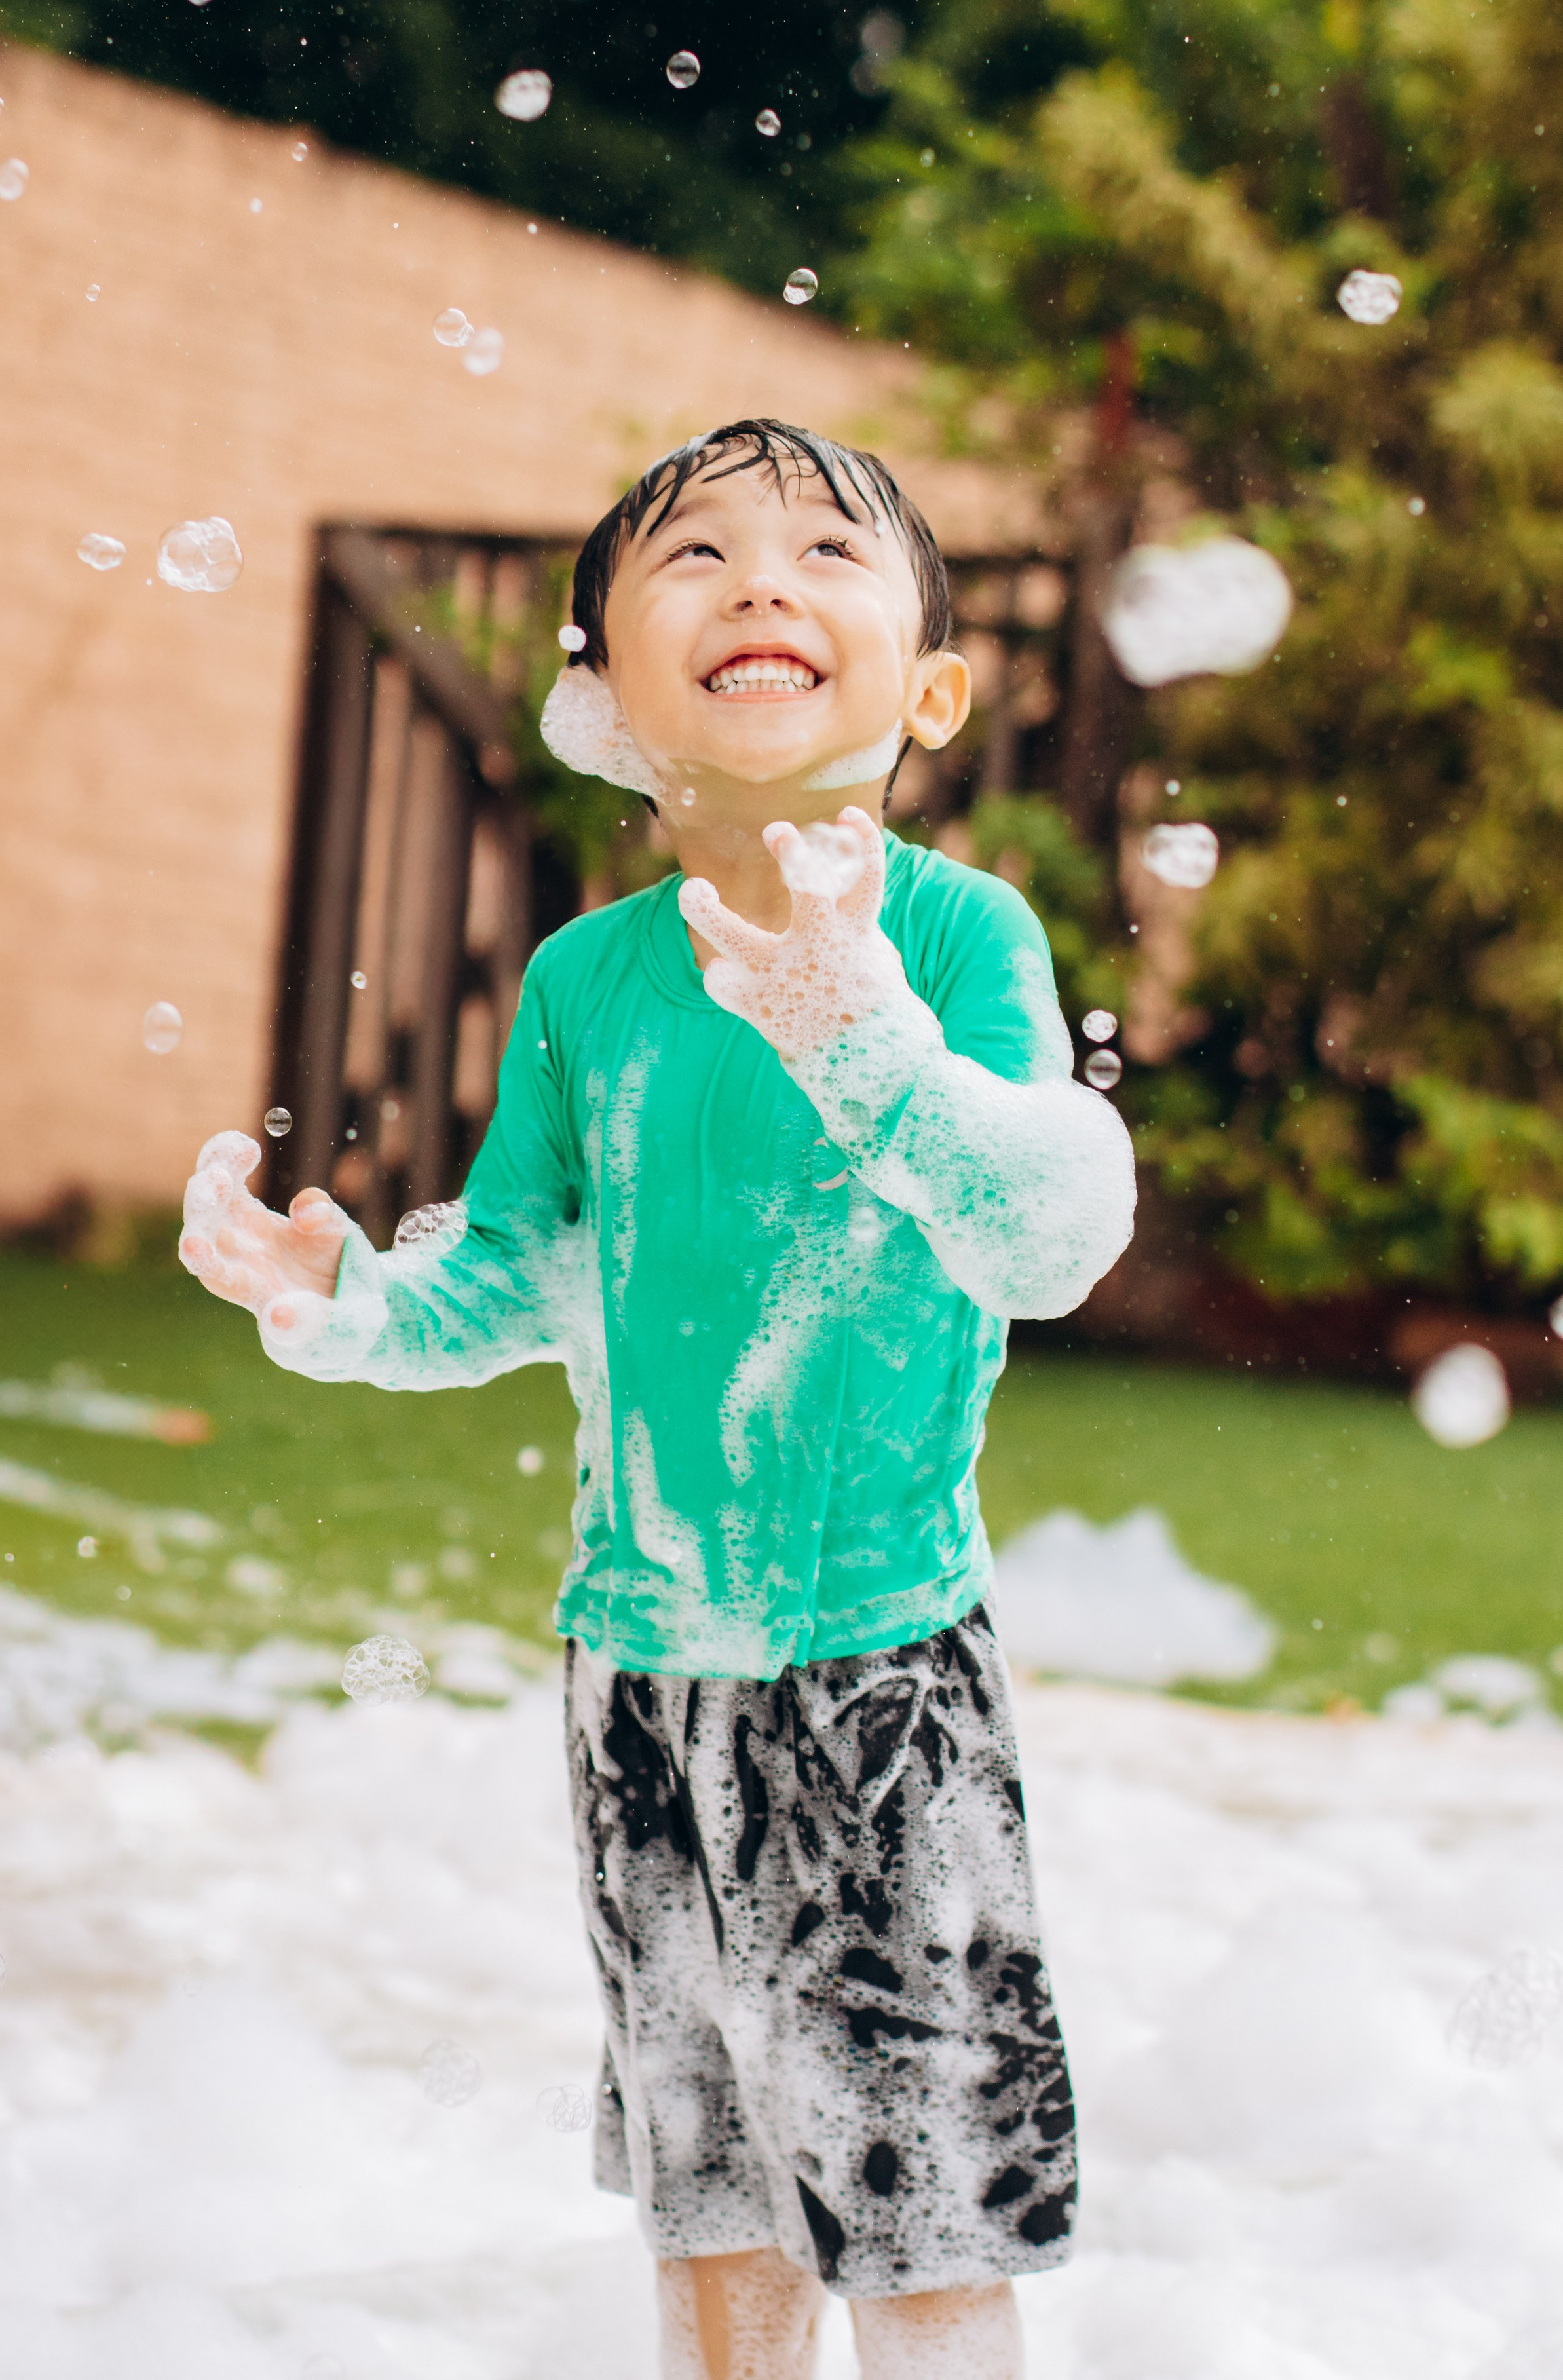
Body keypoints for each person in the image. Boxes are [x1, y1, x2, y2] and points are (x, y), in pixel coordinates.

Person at [179, 420, 1135, 2380]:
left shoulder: (955, 940)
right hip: (635, 1673)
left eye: (825, 552)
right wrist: (347, 1297)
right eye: (695, 553)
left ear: (932, 688)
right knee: (709, 2186)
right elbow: (522, 1266)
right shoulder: (589, 982)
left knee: (919, 2184)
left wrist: (864, 1040)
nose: (763, 582)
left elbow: (1049, 1229)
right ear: (601, 688)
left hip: (878, 1674)